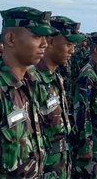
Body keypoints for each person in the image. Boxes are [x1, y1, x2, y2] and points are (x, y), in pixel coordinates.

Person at [0, 6, 58, 178]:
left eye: (45, 37)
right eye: (37, 36)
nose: (44, 44)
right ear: (10, 38)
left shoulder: (30, 83)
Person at [34, 15, 83, 179]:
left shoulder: (55, 78)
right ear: (50, 41)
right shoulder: (31, 81)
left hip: (59, 165)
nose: (72, 50)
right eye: (68, 44)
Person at [71, 32, 97, 179]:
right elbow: (82, 112)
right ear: (96, 50)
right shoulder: (87, 75)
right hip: (91, 141)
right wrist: (85, 145)